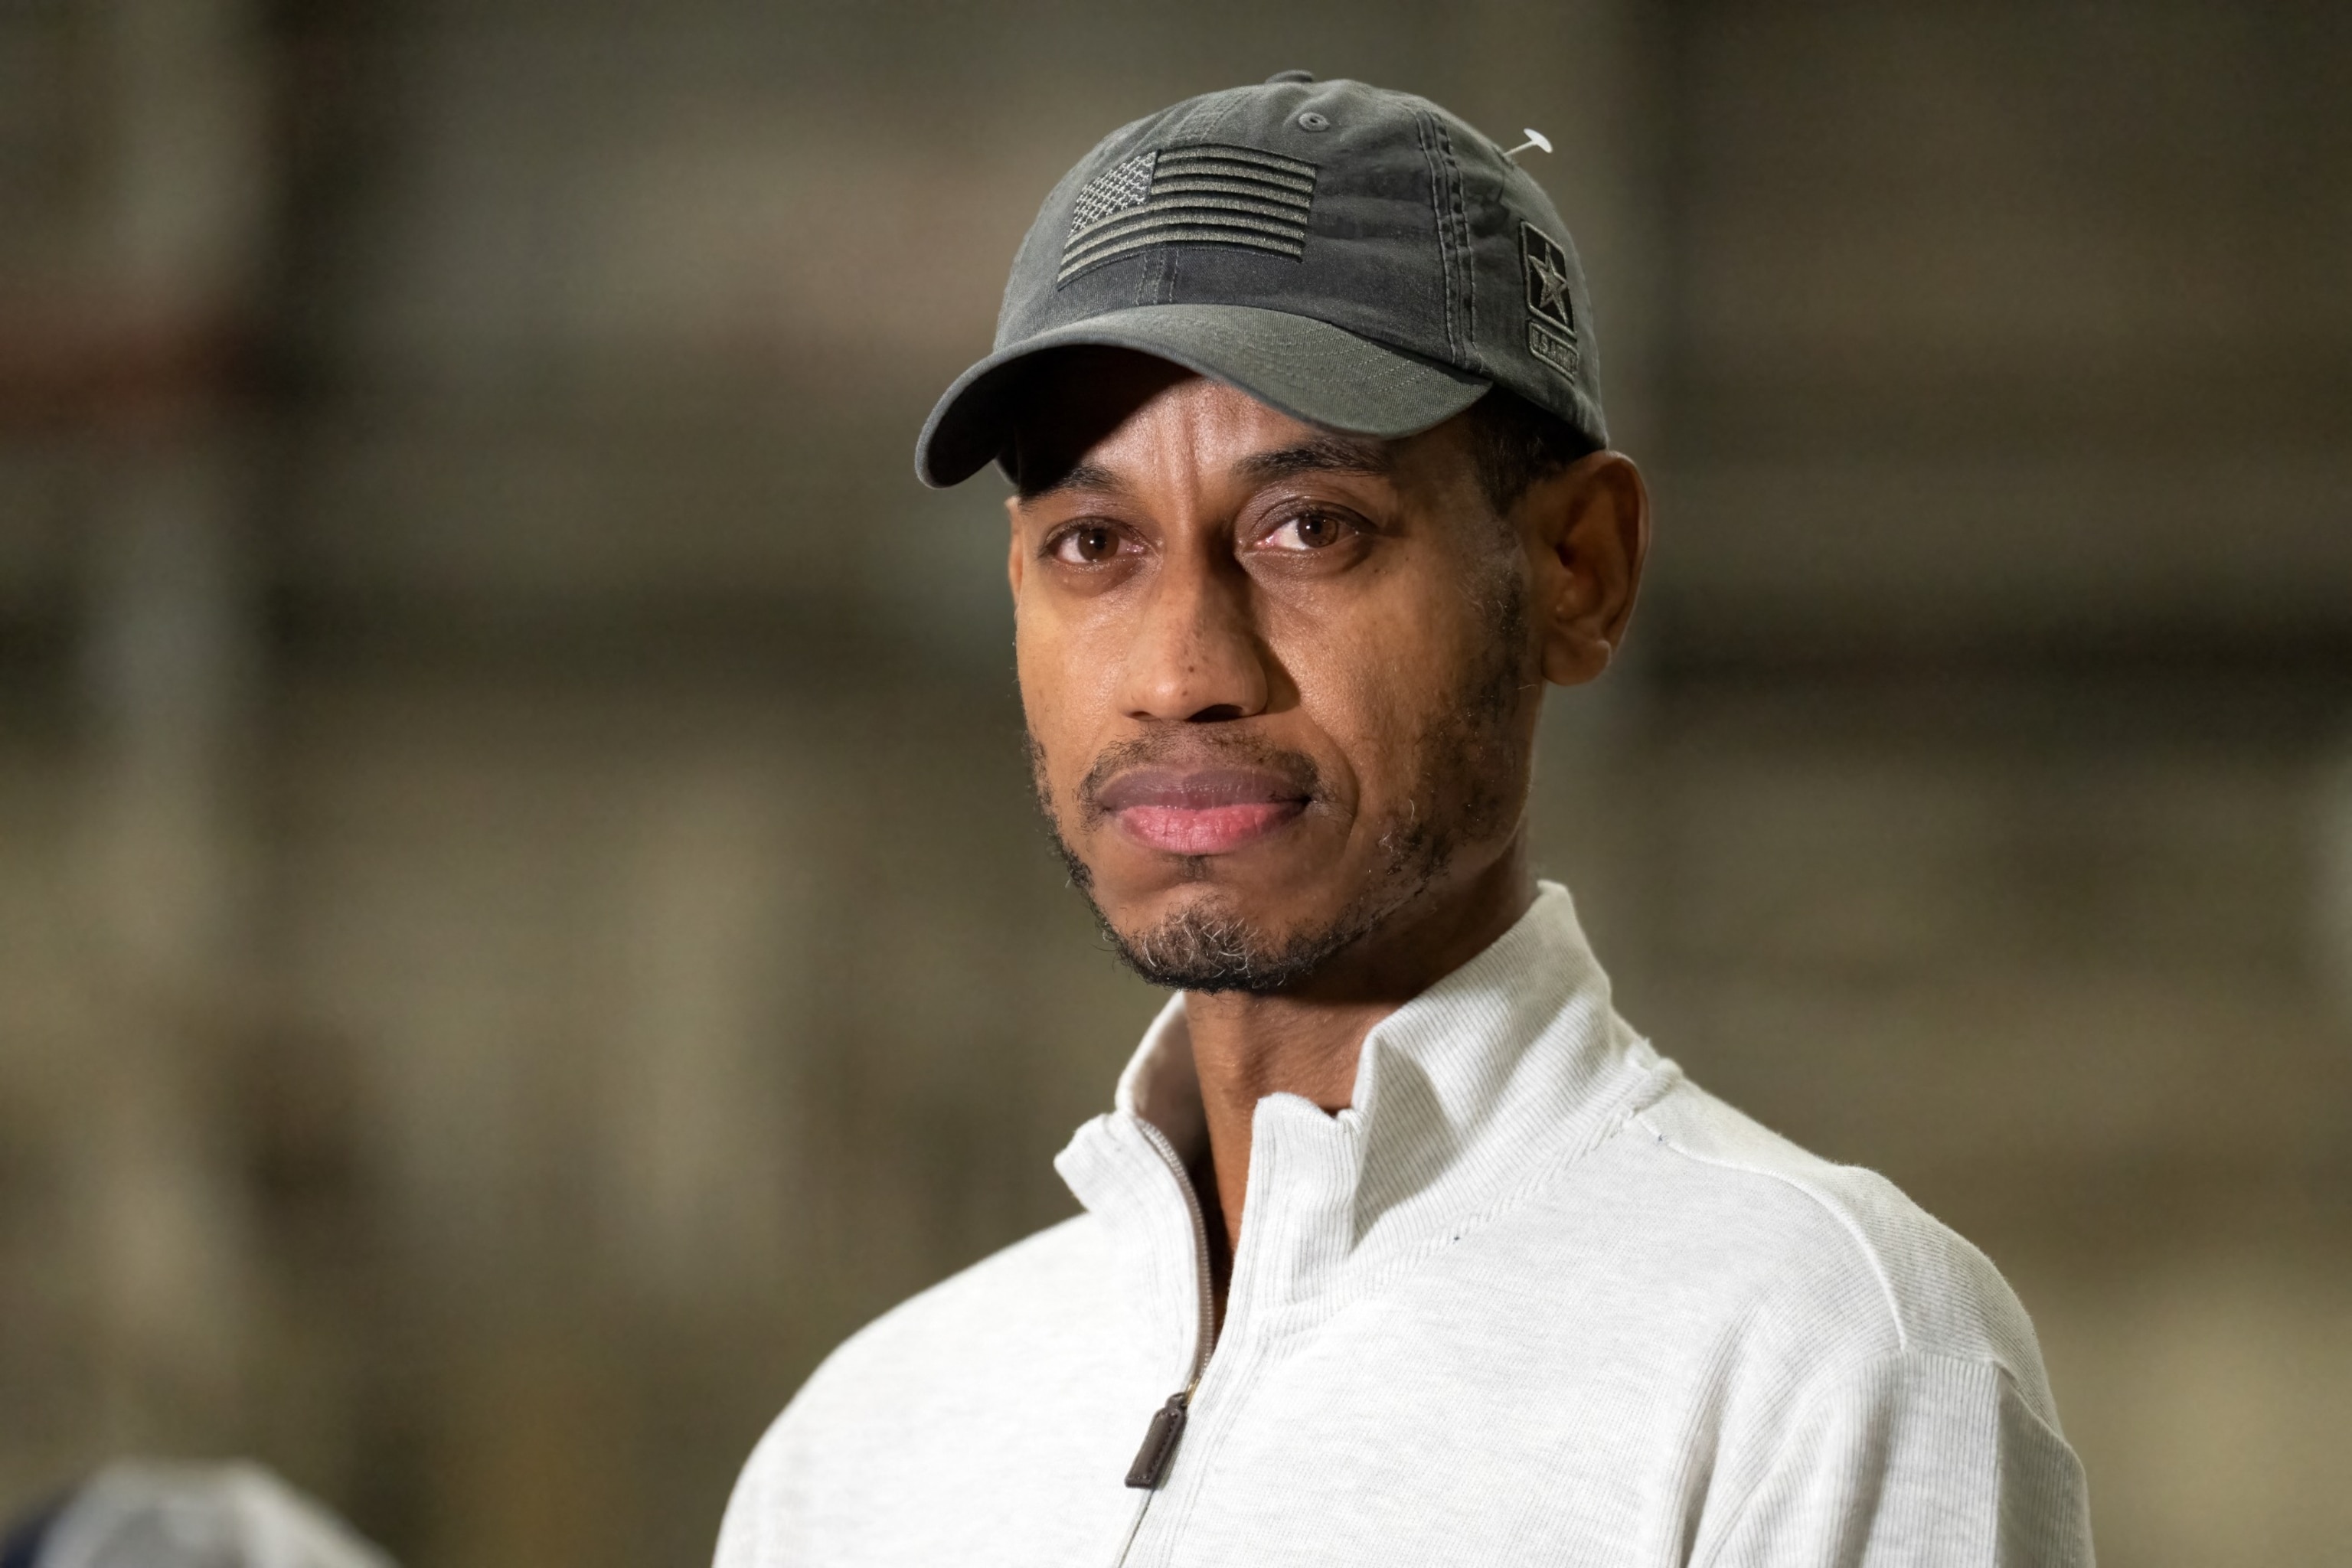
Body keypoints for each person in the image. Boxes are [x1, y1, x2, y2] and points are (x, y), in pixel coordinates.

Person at [715, 73, 2093, 1566]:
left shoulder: (1820, 1354)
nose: (1182, 669)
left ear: (1581, 567)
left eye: (1312, 527)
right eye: (1095, 544)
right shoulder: (861, 1453)